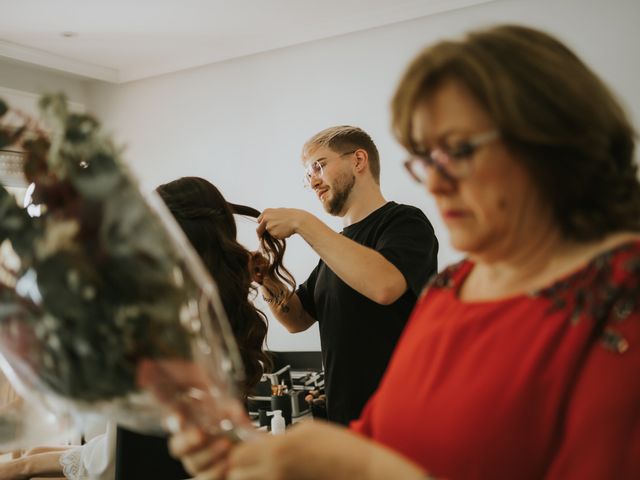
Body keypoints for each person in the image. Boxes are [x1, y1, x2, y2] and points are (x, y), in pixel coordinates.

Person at [168, 24, 640, 479]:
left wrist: (355, 464)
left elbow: (386, 287)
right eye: (425, 158)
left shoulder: (620, 299)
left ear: (547, 137)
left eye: (457, 150)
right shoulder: (453, 291)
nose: (434, 181)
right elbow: (381, 413)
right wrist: (287, 456)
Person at [256, 125, 438, 424]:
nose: (312, 181)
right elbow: (296, 320)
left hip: (399, 416)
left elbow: (385, 286)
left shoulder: (405, 222)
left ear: (358, 160)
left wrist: (304, 222)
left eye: (319, 166)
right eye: (307, 174)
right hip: (344, 418)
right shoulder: (336, 250)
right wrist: (266, 278)